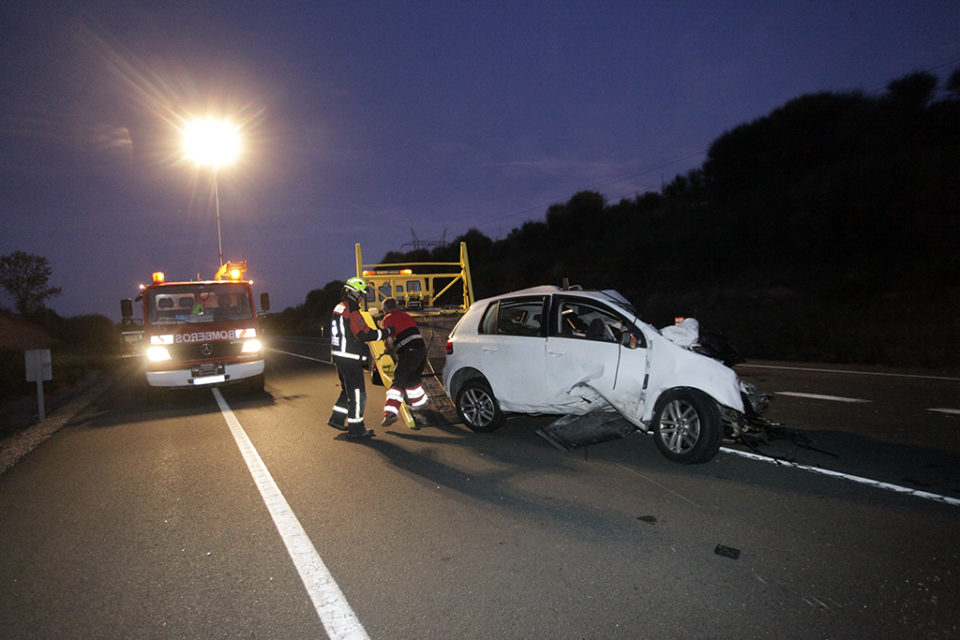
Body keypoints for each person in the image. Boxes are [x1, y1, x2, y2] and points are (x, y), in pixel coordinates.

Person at [327, 277, 394, 439]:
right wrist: (386, 332)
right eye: (361, 294)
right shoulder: (352, 310)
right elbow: (364, 334)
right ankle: (356, 428)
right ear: (354, 292)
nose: (362, 297)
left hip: (339, 356)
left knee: (347, 390)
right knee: (357, 393)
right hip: (350, 358)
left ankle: (336, 419)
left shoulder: (339, 307)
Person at [379, 297, 429, 427]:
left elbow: (389, 342)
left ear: (384, 310)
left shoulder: (388, 318)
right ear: (397, 306)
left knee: (399, 380)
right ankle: (420, 403)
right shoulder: (406, 315)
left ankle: (390, 413)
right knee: (412, 378)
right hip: (421, 350)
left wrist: (388, 350)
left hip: (409, 351)